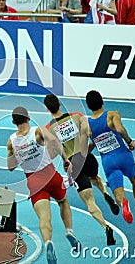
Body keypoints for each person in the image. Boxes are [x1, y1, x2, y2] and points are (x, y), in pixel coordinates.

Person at [7, 107, 81, 264]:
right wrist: (66, 160)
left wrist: (22, 153)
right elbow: (55, 142)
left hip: (34, 182)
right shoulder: (38, 131)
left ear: (14, 122)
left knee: (44, 217)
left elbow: (11, 166)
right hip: (51, 176)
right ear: (28, 118)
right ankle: (69, 230)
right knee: (63, 201)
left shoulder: (11, 141)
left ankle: (48, 241)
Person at [43, 94, 117, 246]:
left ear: (47, 109)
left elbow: (51, 153)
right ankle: (105, 193)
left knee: (90, 202)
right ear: (59, 104)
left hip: (74, 164)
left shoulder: (48, 129)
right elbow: (89, 132)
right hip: (87, 157)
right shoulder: (76, 116)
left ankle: (106, 227)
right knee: (95, 177)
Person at [85, 90, 135, 227]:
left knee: (118, 191)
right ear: (102, 102)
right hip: (123, 155)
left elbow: (94, 141)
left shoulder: (87, 124)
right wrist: (130, 142)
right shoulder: (112, 115)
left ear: (89, 107)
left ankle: (123, 203)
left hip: (108, 161)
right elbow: (120, 130)